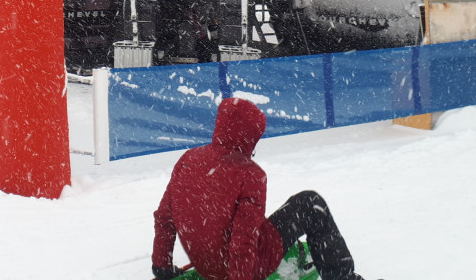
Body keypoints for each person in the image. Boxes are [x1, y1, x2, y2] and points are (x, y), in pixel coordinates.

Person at [152, 97, 366, 280]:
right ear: (251, 136)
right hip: (243, 267)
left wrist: (161, 267)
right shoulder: (251, 174)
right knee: (310, 203)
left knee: (287, 208)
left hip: (206, 262)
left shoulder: (188, 159)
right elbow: (242, 241)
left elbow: (164, 218)